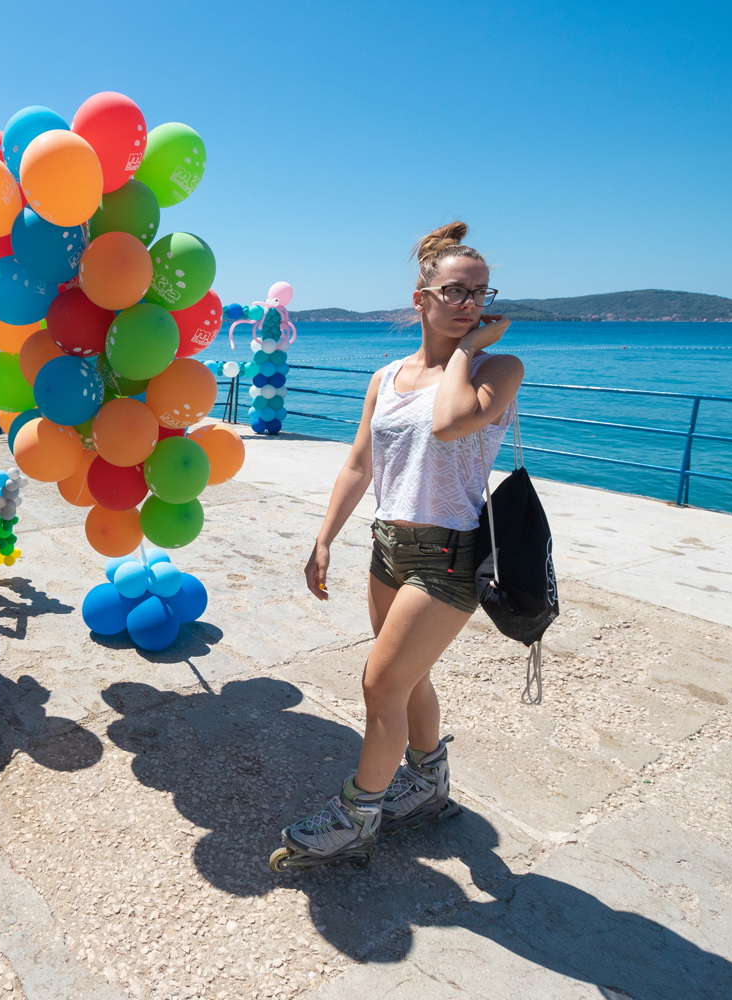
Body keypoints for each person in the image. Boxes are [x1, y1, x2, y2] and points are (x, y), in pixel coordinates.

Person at [273, 222, 523, 872]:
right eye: (454, 291)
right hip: (389, 547)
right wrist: (324, 538)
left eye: (479, 292)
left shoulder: (499, 368)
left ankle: (359, 815)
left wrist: (466, 349)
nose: (469, 302)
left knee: (379, 684)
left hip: (450, 555)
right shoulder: (385, 377)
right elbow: (360, 461)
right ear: (422, 299)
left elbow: (449, 422)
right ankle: (430, 780)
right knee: (410, 679)